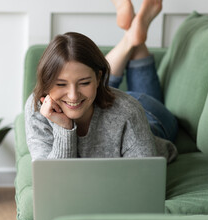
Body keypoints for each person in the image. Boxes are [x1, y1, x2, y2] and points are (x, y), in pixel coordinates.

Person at [25, 0, 178, 163]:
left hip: (149, 113)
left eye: (84, 82)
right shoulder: (37, 109)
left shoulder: (129, 111)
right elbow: (53, 178)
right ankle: (132, 36)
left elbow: (145, 174)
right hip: (100, 100)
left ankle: (132, 36)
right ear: (47, 83)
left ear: (99, 78)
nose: (73, 95)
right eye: (61, 84)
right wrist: (64, 127)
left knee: (89, 96)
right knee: (82, 89)